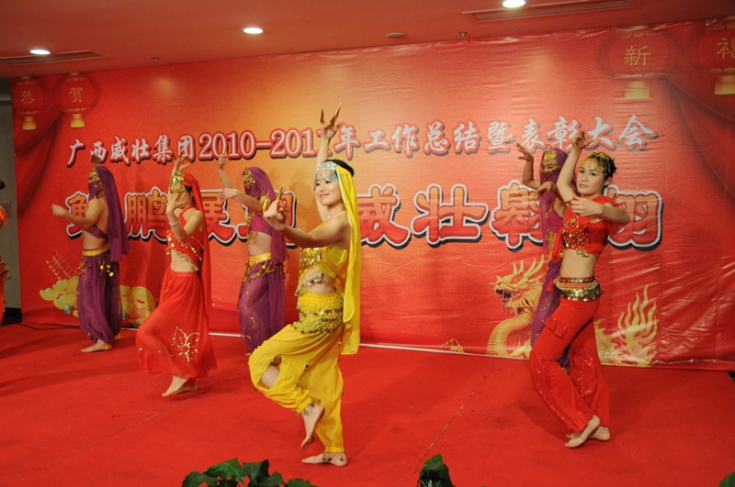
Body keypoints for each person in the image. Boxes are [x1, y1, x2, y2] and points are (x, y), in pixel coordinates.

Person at [248, 115, 361, 467]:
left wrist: (282, 228)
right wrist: (324, 141)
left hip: (321, 318)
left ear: (344, 186)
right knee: (322, 379)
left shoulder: (342, 225)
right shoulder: (331, 215)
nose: (321, 186)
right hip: (319, 314)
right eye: (318, 182)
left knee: (259, 361)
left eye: (329, 181)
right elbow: (319, 179)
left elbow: (308, 239)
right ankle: (335, 449)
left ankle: (306, 407)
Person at [528, 131, 630, 448]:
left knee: (541, 359)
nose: (584, 177)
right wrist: (575, 151)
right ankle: (600, 423)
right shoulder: (573, 202)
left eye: (593, 173)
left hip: (579, 298)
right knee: (585, 359)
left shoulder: (604, 206)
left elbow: (623, 215)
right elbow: (562, 183)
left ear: (606, 180)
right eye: (582, 171)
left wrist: (600, 211)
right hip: (571, 294)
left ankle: (582, 421)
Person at [136, 156, 216, 396]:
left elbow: (181, 236)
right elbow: (174, 194)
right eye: (172, 192)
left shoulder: (195, 215)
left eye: (180, 192)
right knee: (175, 330)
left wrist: (170, 212)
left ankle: (180, 372)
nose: (175, 196)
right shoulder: (178, 210)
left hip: (186, 283)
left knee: (145, 331)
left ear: (191, 194)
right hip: (172, 279)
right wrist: (175, 170)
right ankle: (187, 378)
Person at [51, 156, 129, 352]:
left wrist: (64, 214)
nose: (91, 183)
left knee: (89, 298)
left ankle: (102, 339)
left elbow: (86, 223)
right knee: (103, 296)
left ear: (101, 184)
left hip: (94, 258)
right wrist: (97, 166)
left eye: (94, 180)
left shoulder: (96, 203)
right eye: (90, 179)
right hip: (103, 256)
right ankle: (112, 332)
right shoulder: (107, 202)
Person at [217, 154, 287, 352]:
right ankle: (263, 346)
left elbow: (256, 205)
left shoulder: (269, 202)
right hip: (254, 264)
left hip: (265, 264)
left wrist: (236, 193)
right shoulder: (252, 205)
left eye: (250, 184)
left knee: (245, 304)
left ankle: (262, 347)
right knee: (255, 306)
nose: (248, 188)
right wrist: (221, 170)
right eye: (245, 185)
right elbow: (235, 194)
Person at [517, 144, 572, 366]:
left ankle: (559, 355)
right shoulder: (549, 190)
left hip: (567, 260)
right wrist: (530, 161)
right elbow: (527, 181)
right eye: (545, 167)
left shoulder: (566, 194)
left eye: (553, 168)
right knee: (553, 304)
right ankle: (554, 353)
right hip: (556, 259)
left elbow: (562, 194)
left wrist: (554, 186)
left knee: (558, 305)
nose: (547, 172)